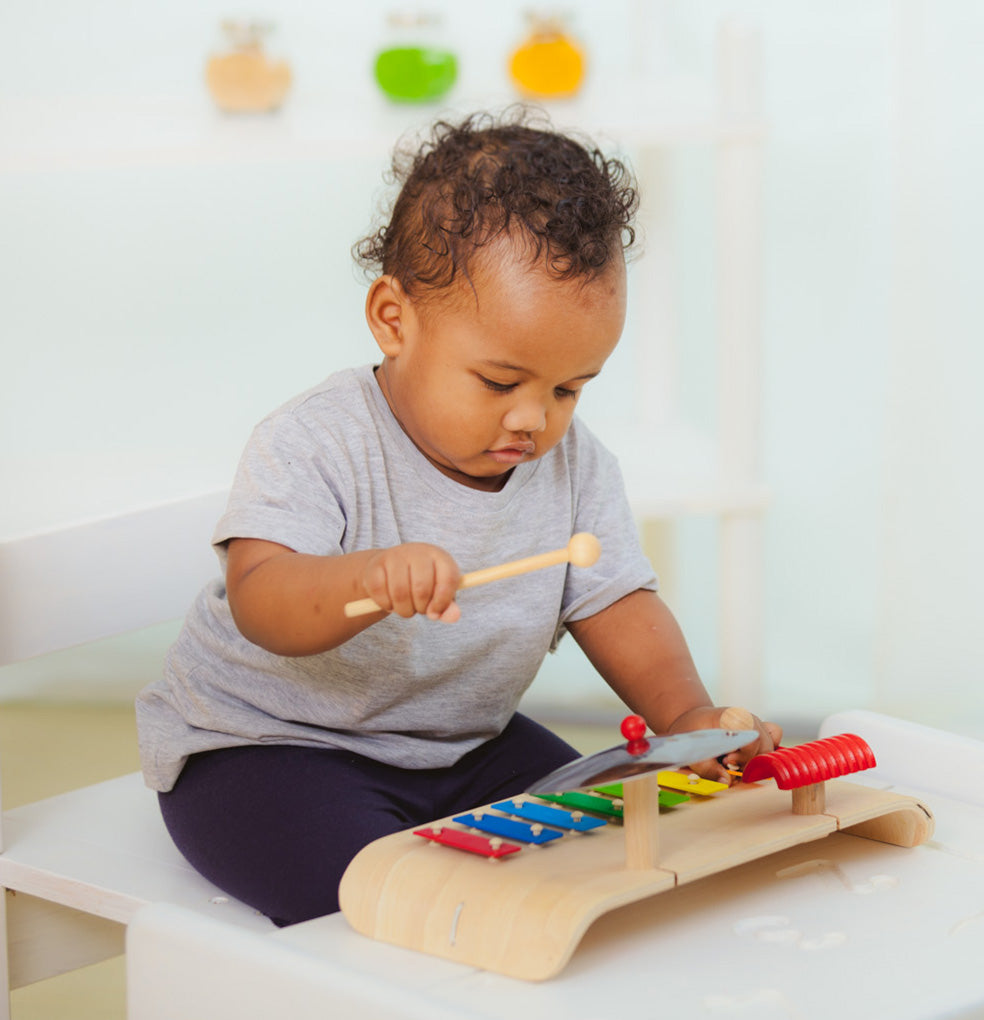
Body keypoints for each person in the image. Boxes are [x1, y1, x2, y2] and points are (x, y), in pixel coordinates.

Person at [136, 108, 781, 927]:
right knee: (384, 897)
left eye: (568, 388)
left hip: (464, 749)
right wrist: (364, 579)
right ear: (394, 320)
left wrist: (688, 718)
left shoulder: (575, 466)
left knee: (605, 834)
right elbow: (262, 597)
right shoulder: (317, 440)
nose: (533, 421)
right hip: (270, 749)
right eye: (498, 381)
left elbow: (618, 602)